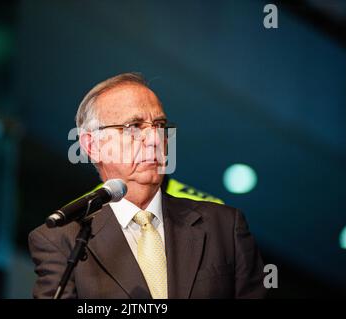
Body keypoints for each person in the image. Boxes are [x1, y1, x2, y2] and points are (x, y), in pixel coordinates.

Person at [28, 72, 267, 299]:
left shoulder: (224, 226)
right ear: (92, 146)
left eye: (160, 125)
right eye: (134, 127)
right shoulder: (61, 240)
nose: (155, 140)